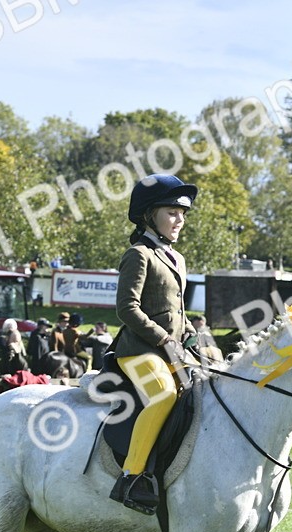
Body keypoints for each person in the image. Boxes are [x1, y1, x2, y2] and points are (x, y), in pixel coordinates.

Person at [109, 173, 199, 514]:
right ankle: (131, 477)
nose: (180, 220)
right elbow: (127, 309)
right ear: (150, 215)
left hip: (171, 350)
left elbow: (176, 310)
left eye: (183, 214)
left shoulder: (177, 258)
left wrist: (192, 336)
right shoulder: (139, 254)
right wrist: (163, 338)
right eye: (172, 212)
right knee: (163, 395)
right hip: (138, 350)